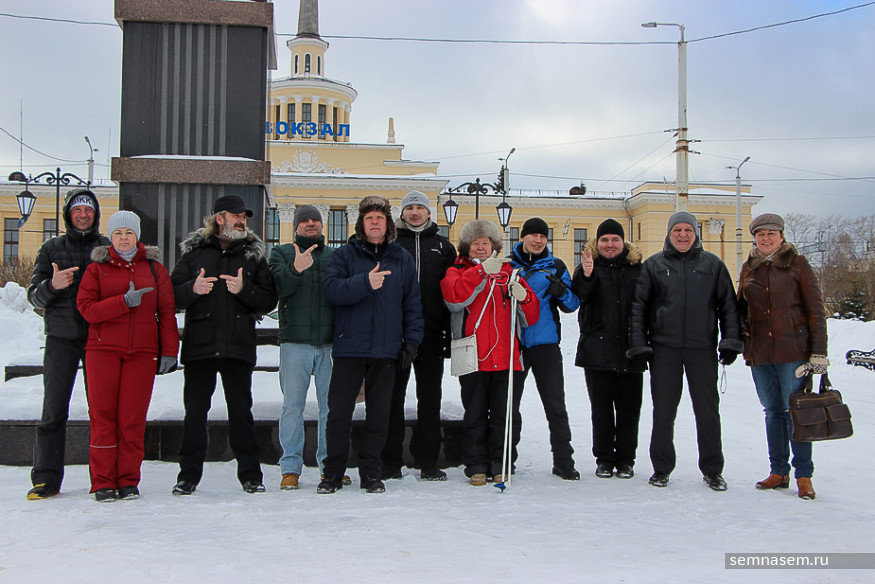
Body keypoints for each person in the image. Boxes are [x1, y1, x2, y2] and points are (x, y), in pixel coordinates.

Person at [170, 195, 277, 495]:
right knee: (195, 414)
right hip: (200, 346)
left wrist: (244, 290)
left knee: (241, 413)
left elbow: (269, 300)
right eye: (236, 216)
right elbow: (171, 293)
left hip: (237, 345)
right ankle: (187, 476)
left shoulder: (253, 254)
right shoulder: (195, 253)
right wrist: (192, 289)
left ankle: (251, 476)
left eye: (244, 216)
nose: (242, 221)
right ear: (219, 218)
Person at [628, 211, 743, 491]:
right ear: (669, 234)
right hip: (664, 350)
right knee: (664, 411)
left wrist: (730, 341)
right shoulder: (654, 265)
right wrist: (639, 344)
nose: (682, 235)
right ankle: (661, 468)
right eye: (677, 230)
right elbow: (639, 308)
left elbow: (728, 307)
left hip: (701, 349)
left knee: (707, 411)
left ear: (695, 234)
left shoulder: (713, 265)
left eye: (688, 230)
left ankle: (713, 470)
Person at [318, 195, 424, 494]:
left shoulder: (401, 258)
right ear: (361, 224)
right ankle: (333, 473)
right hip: (349, 347)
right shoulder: (344, 255)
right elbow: (332, 290)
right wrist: (365, 282)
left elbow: (412, 303)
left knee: (379, 415)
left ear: (388, 224)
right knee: (339, 414)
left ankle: (371, 473)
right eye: (369, 218)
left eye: (379, 218)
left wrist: (411, 341)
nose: (375, 222)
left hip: (386, 350)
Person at [76, 211, 179, 502]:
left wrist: (169, 351)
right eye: (118, 233)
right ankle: (103, 482)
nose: (124, 238)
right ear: (111, 236)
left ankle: (128, 480)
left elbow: (166, 312)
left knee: (132, 418)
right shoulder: (97, 269)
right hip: (102, 351)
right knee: (103, 417)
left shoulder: (155, 270)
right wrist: (122, 302)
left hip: (142, 354)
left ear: (137, 236)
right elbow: (87, 309)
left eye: (129, 233)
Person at [25, 188, 111, 500]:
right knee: (53, 410)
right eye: (78, 210)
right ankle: (46, 479)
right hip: (60, 339)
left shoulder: (107, 248)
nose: (83, 215)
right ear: (68, 214)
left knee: (101, 411)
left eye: (88, 210)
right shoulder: (51, 249)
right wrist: (52, 285)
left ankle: (103, 477)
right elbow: (34, 296)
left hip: (98, 338)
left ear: (95, 214)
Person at [441, 219, 539, 486]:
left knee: (505, 415)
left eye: (485, 243)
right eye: (475, 243)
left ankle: (502, 463)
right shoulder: (456, 271)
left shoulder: (510, 273)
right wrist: (480, 272)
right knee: (474, 414)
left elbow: (531, 315)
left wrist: (525, 297)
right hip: (473, 357)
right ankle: (476, 465)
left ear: (494, 245)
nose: (481, 248)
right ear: (467, 247)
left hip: (507, 358)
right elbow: (454, 298)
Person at [737, 213, 828, 500]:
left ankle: (804, 475)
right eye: (760, 234)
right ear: (754, 238)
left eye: (771, 233)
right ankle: (778, 471)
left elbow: (816, 310)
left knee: (794, 411)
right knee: (772, 411)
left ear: (781, 236)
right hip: (760, 351)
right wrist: (741, 330)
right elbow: (741, 307)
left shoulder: (798, 264)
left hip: (793, 351)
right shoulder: (749, 268)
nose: (765, 238)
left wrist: (819, 352)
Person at [381, 191, 457, 481]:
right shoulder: (390, 244)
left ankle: (428, 462)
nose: (415, 212)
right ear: (402, 214)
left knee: (430, 399)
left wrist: (447, 332)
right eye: (409, 208)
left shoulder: (443, 246)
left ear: (428, 212)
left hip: (431, 334)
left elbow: (451, 292)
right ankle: (391, 462)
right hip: (396, 335)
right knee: (393, 399)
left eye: (420, 207)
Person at [572, 219, 646, 480]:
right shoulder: (588, 267)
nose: (610, 244)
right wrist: (587, 274)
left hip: (631, 349)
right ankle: (603, 459)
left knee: (629, 409)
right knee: (601, 409)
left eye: (615, 239)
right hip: (597, 348)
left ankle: (626, 459)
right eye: (605, 240)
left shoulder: (638, 269)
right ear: (598, 242)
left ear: (623, 242)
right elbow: (579, 296)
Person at [268, 205, 336, 490]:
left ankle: (329, 466)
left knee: (330, 408)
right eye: (305, 220)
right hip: (295, 343)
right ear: (296, 226)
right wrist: (295, 268)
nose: (311, 224)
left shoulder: (334, 256)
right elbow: (278, 288)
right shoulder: (281, 253)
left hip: (329, 344)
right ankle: (290, 469)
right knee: (292, 408)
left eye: (315, 220)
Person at [509, 217, 580, 480]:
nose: (538, 240)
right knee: (509, 405)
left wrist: (560, 291)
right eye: (533, 235)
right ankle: (506, 460)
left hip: (545, 344)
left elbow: (572, 305)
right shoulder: (508, 265)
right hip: (514, 344)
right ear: (523, 237)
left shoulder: (556, 266)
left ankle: (563, 461)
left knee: (555, 405)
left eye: (542, 236)